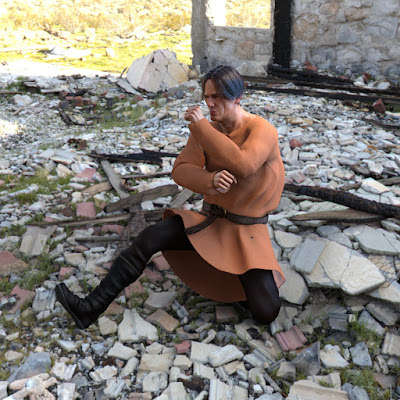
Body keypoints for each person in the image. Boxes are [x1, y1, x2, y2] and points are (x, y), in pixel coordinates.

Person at [55, 65, 285, 330]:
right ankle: (91, 307)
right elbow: (181, 170)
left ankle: (234, 282)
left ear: (237, 96)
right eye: (207, 96)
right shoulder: (205, 131)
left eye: (218, 97)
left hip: (247, 232)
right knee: (151, 237)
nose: (210, 103)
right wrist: (208, 180)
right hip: (210, 224)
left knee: (266, 311)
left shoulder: (261, 130)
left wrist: (202, 128)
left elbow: (244, 165)